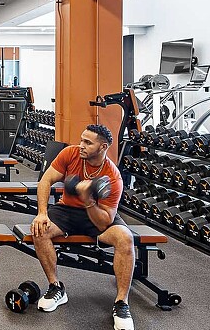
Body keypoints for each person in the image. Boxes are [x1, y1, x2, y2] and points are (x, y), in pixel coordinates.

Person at [30, 124, 135, 330]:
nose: (81, 145)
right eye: (81, 140)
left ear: (103, 147)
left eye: (88, 142)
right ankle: (56, 287)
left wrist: (88, 200)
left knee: (125, 238)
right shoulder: (70, 153)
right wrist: (42, 213)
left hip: (98, 214)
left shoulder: (113, 177)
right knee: (39, 230)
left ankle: (122, 302)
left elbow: (104, 222)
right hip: (67, 211)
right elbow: (45, 181)